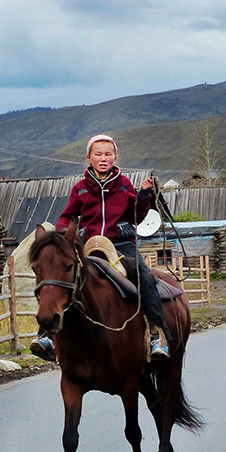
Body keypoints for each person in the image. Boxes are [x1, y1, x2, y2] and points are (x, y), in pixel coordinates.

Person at [30, 134, 170, 362]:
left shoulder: (124, 185)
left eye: (108, 154)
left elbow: (138, 215)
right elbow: (67, 216)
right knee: (60, 277)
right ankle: (46, 334)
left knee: (143, 275)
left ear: (115, 157)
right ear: (89, 158)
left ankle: (157, 335)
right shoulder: (80, 189)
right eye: (98, 154)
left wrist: (145, 195)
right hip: (89, 244)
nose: (103, 158)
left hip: (121, 243)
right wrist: (63, 235)